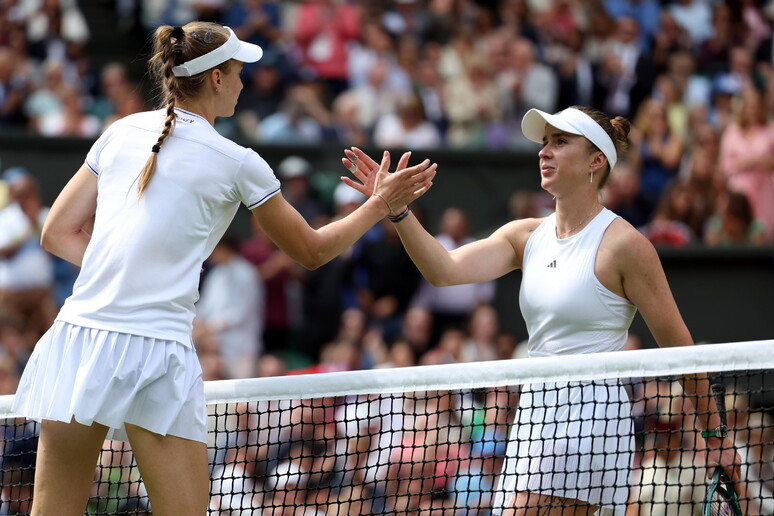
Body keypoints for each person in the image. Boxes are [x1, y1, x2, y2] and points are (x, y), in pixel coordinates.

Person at [11, 21, 436, 516]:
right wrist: (380, 203)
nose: (242, 82)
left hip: (80, 339)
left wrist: (121, 272)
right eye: (237, 72)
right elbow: (313, 251)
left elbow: (57, 233)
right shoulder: (239, 162)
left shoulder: (119, 132)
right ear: (216, 79)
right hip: (156, 355)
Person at [342, 105, 740, 515]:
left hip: (592, 417)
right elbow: (444, 270)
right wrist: (398, 210)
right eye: (545, 142)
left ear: (596, 161)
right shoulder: (525, 235)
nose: (544, 152)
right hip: (535, 414)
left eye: (560, 142)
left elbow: (681, 350)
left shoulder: (625, 245)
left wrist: (715, 437)